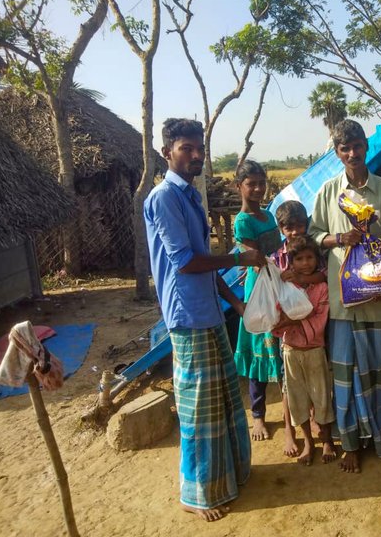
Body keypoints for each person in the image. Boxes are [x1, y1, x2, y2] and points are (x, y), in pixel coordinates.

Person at [144, 118, 265, 522]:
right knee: (198, 408)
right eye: (186, 149)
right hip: (187, 315)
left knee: (224, 401)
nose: (196, 156)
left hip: (209, 311)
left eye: (200, 149)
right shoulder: (164, 198)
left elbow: (206, 266)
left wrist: (235, 300)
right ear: (167, 153)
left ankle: (227, 476)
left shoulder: (192, 197)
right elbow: (185, 262)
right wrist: (238, 258)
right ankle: (197, 493)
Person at [308, 119, 381, 474]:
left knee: (379, 369)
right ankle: (351, 442)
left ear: (366, 146)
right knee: (346, 372)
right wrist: (339, 239)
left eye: (357, 145)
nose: (352, 153)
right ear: (337, 153)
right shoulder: (327, 192)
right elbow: (312, 237)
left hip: (378, 293)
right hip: (343, 298)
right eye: (345, 148)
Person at [271, 235, 337, 466]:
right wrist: (291, 319)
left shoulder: (321, 287)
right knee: (298, 398)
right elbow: (277, 316)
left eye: (310, 257)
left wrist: (292, 319)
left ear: (317, 259)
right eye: (299, 259)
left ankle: (327, 439)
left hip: (314, 349)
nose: (305, 263)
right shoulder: (286, 286)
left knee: (321, 396)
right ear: (292, 261)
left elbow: (319, 316)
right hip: (291, 350)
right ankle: (308, 442)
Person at [233, 159, 283, 442]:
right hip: (261, 287)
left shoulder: (268, 215)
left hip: (277, 280)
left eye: (261, 183)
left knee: (283, 346)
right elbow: (256, 260)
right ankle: (258, 417)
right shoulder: (243, 221)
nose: (258, 189)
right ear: (239, 186)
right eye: (251, 184)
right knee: (259, 353)